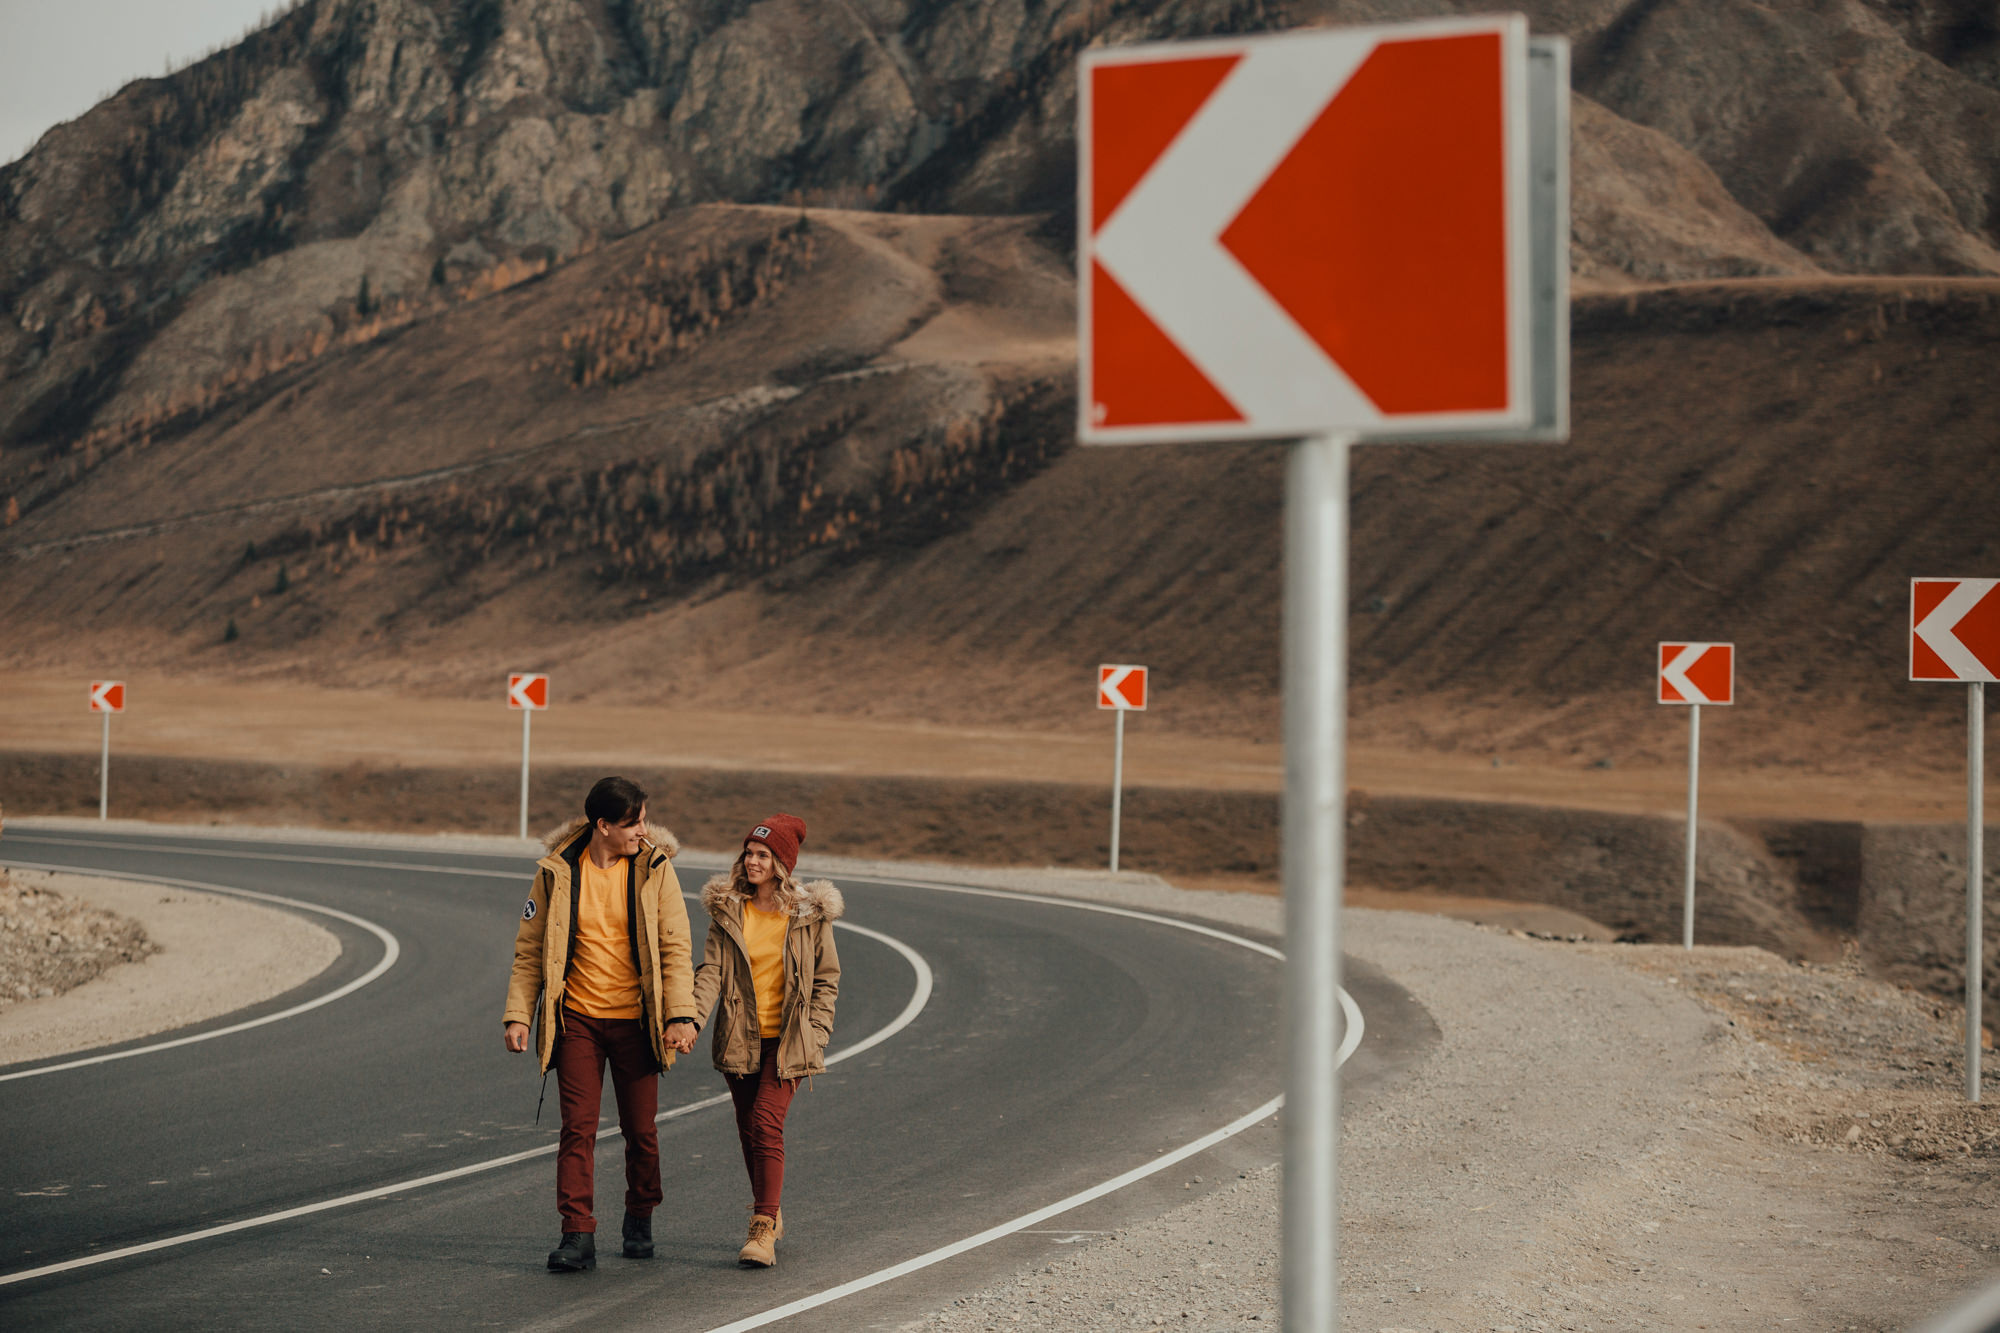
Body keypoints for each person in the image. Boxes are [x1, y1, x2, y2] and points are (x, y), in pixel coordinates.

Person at [503, 776, 700, 1272]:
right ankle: (577, 1233)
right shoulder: (557, 871)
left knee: (641, 1131)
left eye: (644, 820)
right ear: (603, 825)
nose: (643, 831)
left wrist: (680, 1015)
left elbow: (676, 949)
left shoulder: (656, 869)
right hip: (578, 1021)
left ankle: (640, 1214)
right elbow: (530, 950)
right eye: (634, 823)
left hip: (638, 1022)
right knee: (578, 1129)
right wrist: (519, 1014)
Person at [689, 813, 842, 1268]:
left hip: (789, 1039)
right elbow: (711, 972)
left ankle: (761, 1227)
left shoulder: (808, 916)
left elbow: (827, 979)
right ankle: (770, 1210)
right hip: (741, 1037)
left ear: (782, 864)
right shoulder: (729, 911)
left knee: (765, 1122)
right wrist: (691, 1020)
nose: (752, 862)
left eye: (762, 855)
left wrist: (817, 1033)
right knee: (749, 1130)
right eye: (748, 853)